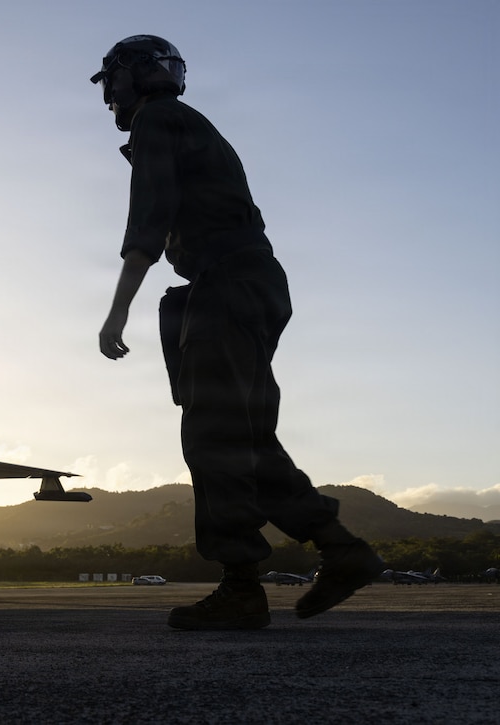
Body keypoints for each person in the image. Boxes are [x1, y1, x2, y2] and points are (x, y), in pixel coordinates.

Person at [90, 35, 383, 630]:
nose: (109, 96)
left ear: (136, 77)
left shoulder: (160, 120)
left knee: (212, 436)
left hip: (226, 283)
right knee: (244, 436)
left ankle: (241, 587)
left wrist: (116, 310)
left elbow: (148, 219)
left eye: (112, 80)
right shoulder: (192, 123)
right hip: (246, 283)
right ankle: (338, 547)